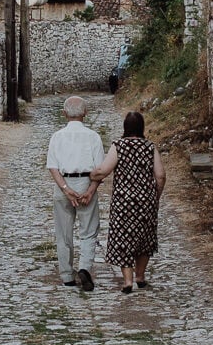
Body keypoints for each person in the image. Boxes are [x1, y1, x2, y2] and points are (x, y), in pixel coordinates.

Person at [91, 110, 166, 293]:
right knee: (144, 238)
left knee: (124, 238)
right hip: (146, 200)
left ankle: (127, 281)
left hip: (124, 203)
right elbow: (161, 176)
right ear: (142, 127)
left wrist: (91, 174)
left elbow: (104, 171)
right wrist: (155, 196)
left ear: (125, 127)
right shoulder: (150, 147)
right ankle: (140, 276)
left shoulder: (119, 146)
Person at [47, 96, 105, 291]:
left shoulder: (57, 136)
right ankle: (85, 268)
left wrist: (66, 189)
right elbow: (100, 169)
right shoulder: (93, 136)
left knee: (64, 232)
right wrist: (90, 190)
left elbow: (53, 167)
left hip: (64, 183)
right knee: (88, 230)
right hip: (86, 180)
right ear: (85, 113)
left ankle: (66, 275)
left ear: (64, 114)